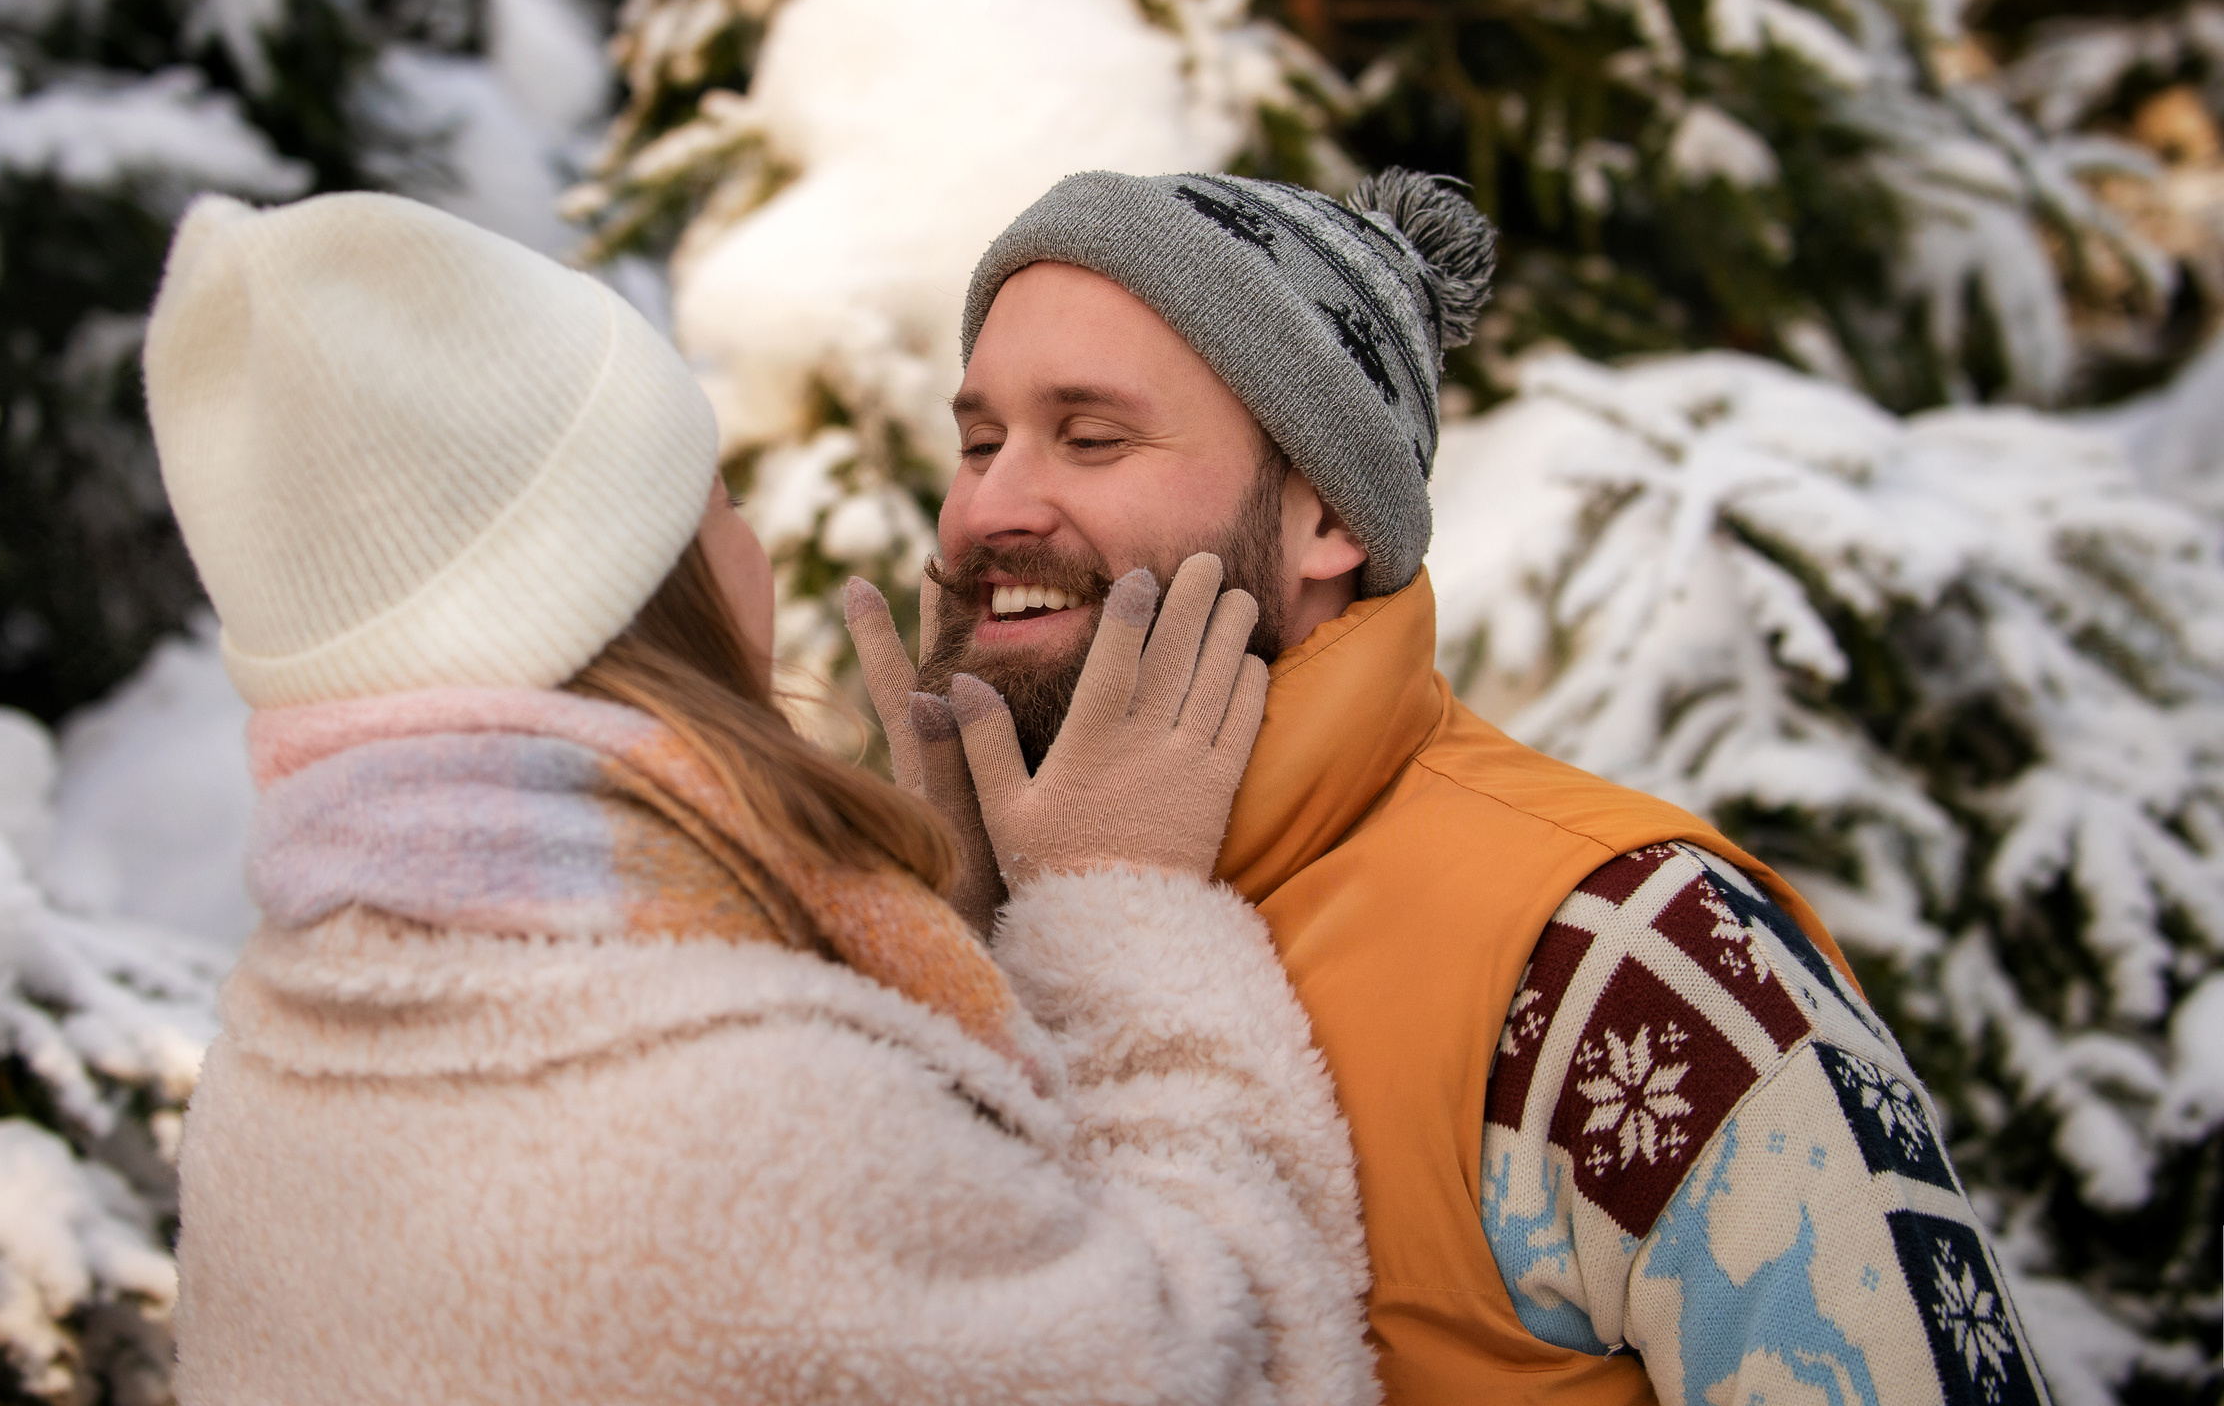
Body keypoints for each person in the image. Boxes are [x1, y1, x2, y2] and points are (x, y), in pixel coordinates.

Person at [148, 190, 1380, 1405]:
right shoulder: (732, 1110)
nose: (986, 507)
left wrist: (933, 941)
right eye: (718, 501)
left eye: (1092, 437)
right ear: (643, 581)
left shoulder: (280, 1048)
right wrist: (1119, 907)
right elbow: (1234, 1362)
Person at [845, 170, 2050, 1406]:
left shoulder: (1626, 960)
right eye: (978, 441)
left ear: (1327, 515)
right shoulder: (928, 927)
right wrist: (939, 950)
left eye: (1091, 436)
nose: (984, 506)